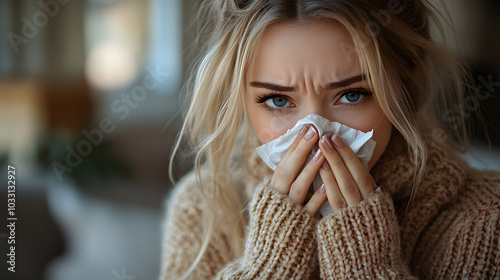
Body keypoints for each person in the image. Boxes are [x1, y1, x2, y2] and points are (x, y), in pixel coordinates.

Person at [159, 0, 500, 279]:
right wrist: (268, 268)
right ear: (244, 102)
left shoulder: (488, 218)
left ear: (405, 90)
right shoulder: (202, 209)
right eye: (278, 100)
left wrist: (368, 269)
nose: (316, 132)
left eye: (352, 95)